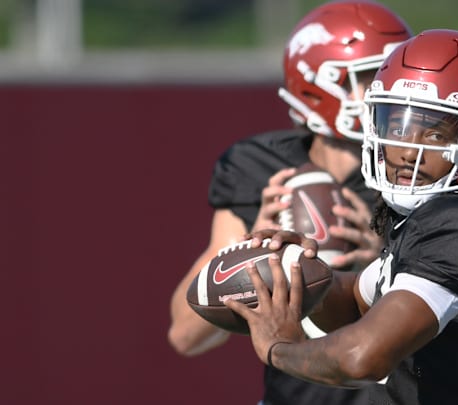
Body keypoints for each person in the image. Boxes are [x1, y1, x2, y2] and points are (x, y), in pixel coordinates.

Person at [224, 29, 458, 405]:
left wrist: (277, 348)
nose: (410, 150)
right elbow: (355, 301)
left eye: (437, 133)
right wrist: (295, 269)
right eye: (398, 126)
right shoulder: (429, 218)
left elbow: (362, 357)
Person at [167, 1, 412, 404]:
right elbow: (185, 334)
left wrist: (383, 264)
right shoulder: (260, 168)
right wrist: (248, 244)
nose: (389, 91)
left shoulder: (417, 171)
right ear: (316, 82)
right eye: (372, 76)